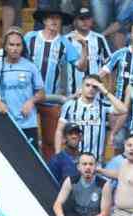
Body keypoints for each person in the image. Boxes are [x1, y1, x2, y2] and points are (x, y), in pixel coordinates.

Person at [25, 6, 87, 159]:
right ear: (44, 20)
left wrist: (85, 48)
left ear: (61, 22)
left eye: (57, 18)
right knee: (26, 139)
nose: (54, 20)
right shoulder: (30, 37)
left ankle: (48, 175)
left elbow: (81, 66)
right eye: (50, 17)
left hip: (51, 99)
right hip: (27, 97)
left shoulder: (64, 43)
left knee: (50, 142)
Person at [0, 29, 45, 150]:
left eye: (18, 45)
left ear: (23, 47)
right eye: (11, 45)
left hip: (28, 123)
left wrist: (31, 101)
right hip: (6, 122)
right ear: (5, 47)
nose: (15, 48)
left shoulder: (30, 67)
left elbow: (42, 93)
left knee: (30, 159)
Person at [55, 74, 127, 162]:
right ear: (81, 87)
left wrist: (105, 91)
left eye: (95, 87)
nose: (91, 89)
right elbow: (59, 130)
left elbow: (123, 110)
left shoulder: (103, 105)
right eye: (87, 85)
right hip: (74, 160)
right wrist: (58, 155)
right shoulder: (70, 105)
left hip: (95, 161)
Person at [101, 20, 133, 148]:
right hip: (119, 107)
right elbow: (102, 73)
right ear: (130, 35)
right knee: (118, 143)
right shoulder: (119, 54)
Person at [65, 8, 112, 97]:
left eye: (87, 18)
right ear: (75, 21)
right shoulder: (67, 40)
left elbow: (109, 63)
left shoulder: (100, 38)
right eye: (81, 19)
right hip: (74, 92)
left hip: (97, 92)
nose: (85, 21)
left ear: (92, 20)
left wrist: (108, 87)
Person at [53, 152, 112, 216]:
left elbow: (105, 214)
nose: (88, 167)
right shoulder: (70, 181)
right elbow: (57, 204)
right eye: (84, 164)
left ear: (96, 166)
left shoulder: (104, 184)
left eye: (91, 164)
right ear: (78, 167)